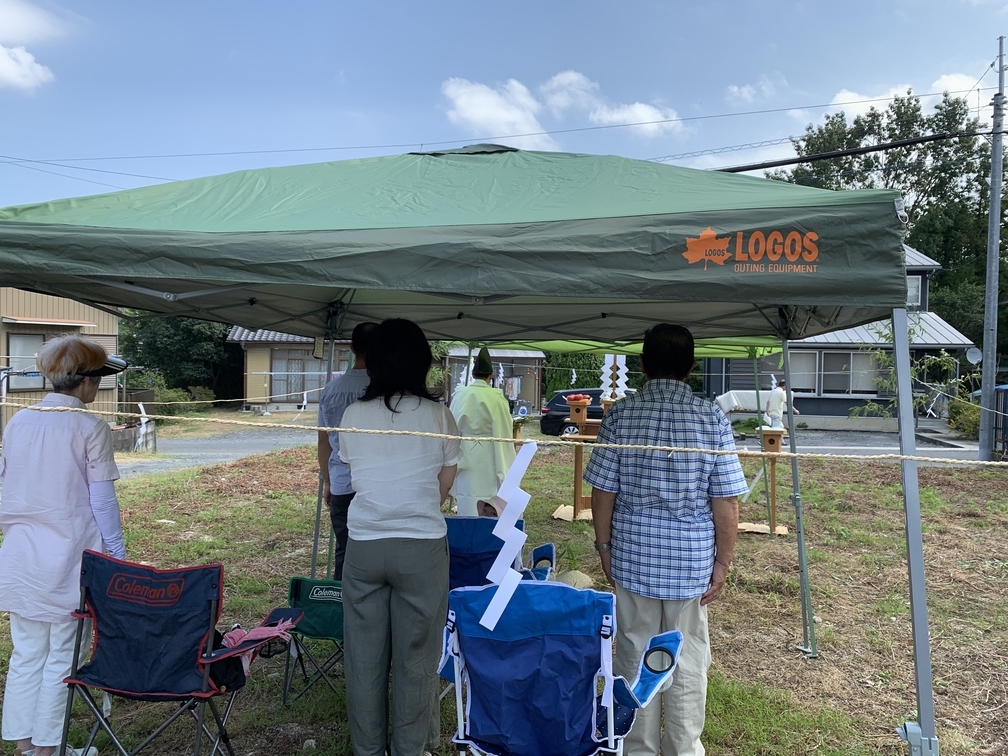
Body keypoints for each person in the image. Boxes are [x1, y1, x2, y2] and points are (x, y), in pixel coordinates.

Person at [584, 324, 748, 756]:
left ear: (641, 365)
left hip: (634, 557)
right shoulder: (710, 415)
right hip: (691, 563)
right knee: (689, 661)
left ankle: (636, 748)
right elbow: (726, 501)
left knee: (634, 654)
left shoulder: (621, 415)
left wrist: (604, 547)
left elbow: (603, 492)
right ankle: (683, 747)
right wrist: (723, 564)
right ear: (692, 368)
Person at [337, 318, 461, 756]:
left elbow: (354, 474)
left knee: (364, 658)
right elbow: (445, 484)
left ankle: (367, 750)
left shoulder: (353, 414)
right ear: (421, 363)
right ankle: (409, 749)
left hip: (365, 544)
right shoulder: (439, 415)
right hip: (421, 546)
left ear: (372, 362)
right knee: (417, 657)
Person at [0, 334, 129, 756]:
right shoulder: (90, 426)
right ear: (87, 382)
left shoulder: (18, 421)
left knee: (26, 653)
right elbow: (103, 501)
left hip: (20, 552)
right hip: (72, 555)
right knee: (62, 654)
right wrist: (117, 556)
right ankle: (47, 749)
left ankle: (24, 744)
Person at [317, 321, 378, 580]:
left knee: (345, 549)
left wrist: (327, 481)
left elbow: (324, 441)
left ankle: (341, 607)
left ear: (352, 348)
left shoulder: (331, 390)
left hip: (342, 481)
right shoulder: (383, 390)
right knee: (375, 551)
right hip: (376, 483)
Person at [449, 347, 516, 516]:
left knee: (467, 497)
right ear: (490, 376)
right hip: (489, 455)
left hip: (464, 452)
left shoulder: (460, 395)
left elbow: (451, 428)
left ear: (472, 375)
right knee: (488, 499)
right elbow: (503, 432)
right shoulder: (496, 398)